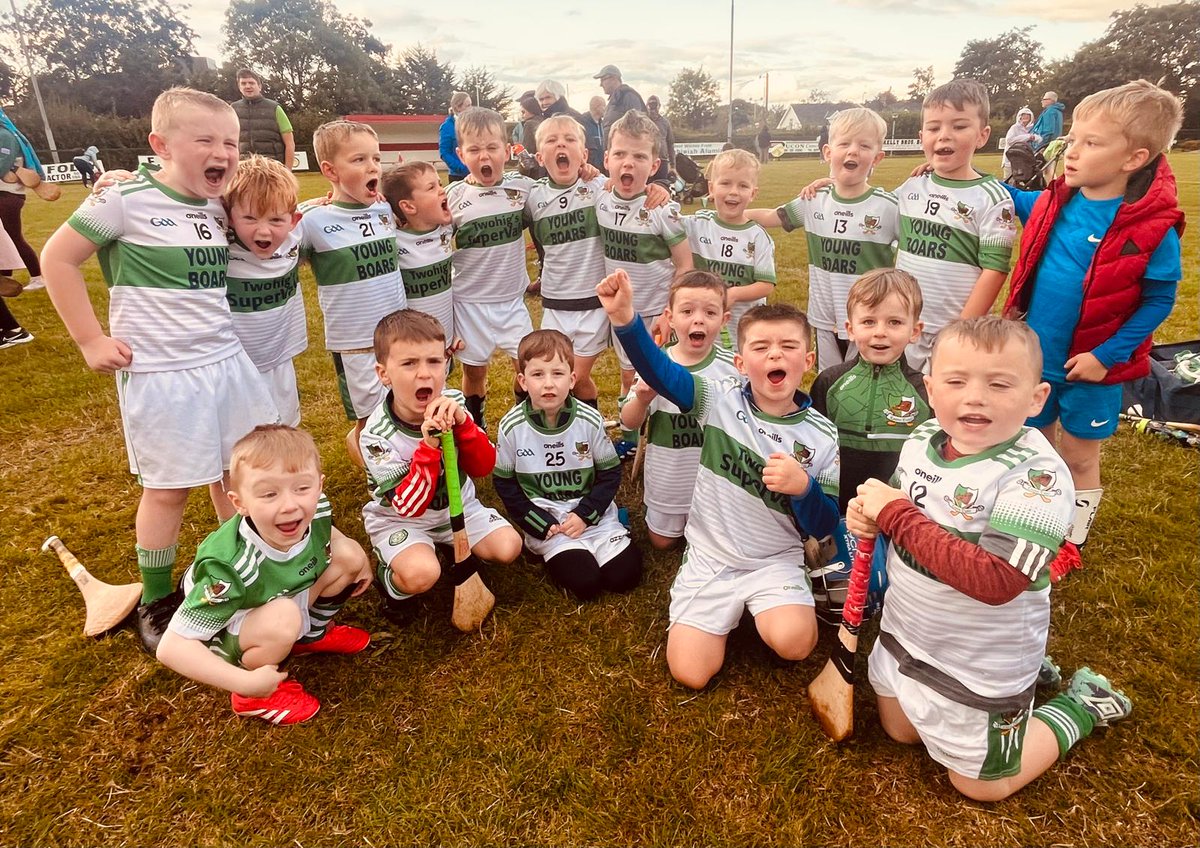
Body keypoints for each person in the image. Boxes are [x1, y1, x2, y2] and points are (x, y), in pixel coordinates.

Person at [846, 316, 1132, 802]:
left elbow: (998, 581)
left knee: (982, 786)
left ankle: (1082, 705)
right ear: (931, 389)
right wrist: (869, 513)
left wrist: (894, 515)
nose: (975, 397)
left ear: (1037, 398)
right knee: (899, 731)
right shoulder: (921, 438)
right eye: (956, 382)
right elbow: (900, 503)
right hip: (906, 634)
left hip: (981, 656)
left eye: (999, 384)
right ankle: (1029, 678)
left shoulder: (1036, 476)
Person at [40, 87, 280, 654]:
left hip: (226, 362)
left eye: (231, 142)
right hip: (162, 375)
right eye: (205, 140)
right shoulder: (123, 200)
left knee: (237, 474)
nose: (222, 151)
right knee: (168, 489)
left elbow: (264, 214)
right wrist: (90, 339)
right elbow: (57, 258)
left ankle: (245, 565)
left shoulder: (215, 204)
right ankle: (156, 598)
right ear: (160, 145)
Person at [598, 269, 840, 689]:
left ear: (809, 359)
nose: (776, 356)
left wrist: (804, 488)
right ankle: (732, 610)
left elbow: (823, 524)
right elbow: (662, 373)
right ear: (742, 363)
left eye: (788, 346)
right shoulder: (718, 400)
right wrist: (626, 319)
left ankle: (770, 607)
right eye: (761, 347)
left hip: (773, 561)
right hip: (712, 556)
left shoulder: (822, 434)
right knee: (690, 674)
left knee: (795, 643)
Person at [1002, 79, 1184, 552]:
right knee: (1030, 447)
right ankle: (1030, 519)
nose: (1072, 152)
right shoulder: (1055, 202)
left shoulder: (1151, 229)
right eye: (1072, 140)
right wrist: (955, 172)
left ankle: (1071, 540)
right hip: (1033, 361)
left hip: (1092, 371)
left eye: (1090, 143)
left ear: (1133, 159)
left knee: (1079, 456)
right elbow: (1005, 197)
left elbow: (1159, 300)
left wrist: (1105, 355)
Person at [156, 424, 372, 726]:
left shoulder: (317, 507)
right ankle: (252, 697)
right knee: (283, 616)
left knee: (349, 555)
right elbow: (172, 647)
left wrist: (353, 555)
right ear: (239, 502)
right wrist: (242, 683)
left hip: (276, 593)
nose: (290, 505)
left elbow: (326, 531)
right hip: (228, 620)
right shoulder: (230, 568)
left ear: (319, 486)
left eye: (302, 488)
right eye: (269, 494)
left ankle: (311, 636)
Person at [360, 309, 522, 622]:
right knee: (422, 574)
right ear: (384, 374)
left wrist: (464, 427)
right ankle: (393, 585)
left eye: (434, 361)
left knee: (508, 547)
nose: (425, 374)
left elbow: (483, 466)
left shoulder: (455, 402)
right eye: (409, 363)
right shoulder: (377, 436)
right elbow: (409, 506)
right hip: (400, 520)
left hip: (458, 508)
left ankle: (449, 545)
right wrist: (429, 447)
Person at [494, 329, 643, 600]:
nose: (548, 384)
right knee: (585, 583)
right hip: (549, 520)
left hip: (590, 515)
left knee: (625, 577)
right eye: (538, 374)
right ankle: (546, 548)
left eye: (557, 373)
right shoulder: (511, 426)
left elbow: (609, 473)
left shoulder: (589, 419)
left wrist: (587, 514)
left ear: (573, 379)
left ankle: (613, 524)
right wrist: (537, 522)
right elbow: (505, 483)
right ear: (523, 381)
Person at [747, 107, 899, 371]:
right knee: (829, 384)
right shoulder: (814, 200)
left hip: (870, 320)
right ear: (828, 152)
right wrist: (730, 214)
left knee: (864, 387)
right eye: (845, 144)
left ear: (878, 157)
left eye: (864, 145)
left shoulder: (889, 207)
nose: (853, 151)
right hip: (825, 317)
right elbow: (773, 216)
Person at [298, 120, 405, 458]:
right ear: (330, 170)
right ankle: (378, 480)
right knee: (370, 421)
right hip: (355, 344)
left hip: (397, 335)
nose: (372, 166)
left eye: (375, 158)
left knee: (400, 411)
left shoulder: (385, 209)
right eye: (359, 160)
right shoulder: (311, 221)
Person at [894, 80, 1015, 372]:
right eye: (934, 128)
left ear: (982, 135)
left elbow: (995, 270)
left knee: (941, 409)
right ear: (922, 135)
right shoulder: (912, 186)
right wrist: (829, 185)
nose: (944, 135)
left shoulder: (993, 199)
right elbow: (868, 212)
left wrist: (961, 329)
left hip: (948, 331)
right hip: (901, 324)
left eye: (959, 127)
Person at [596, 110, 692, 458]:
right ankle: (631, 438)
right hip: (625, 314)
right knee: (628, 378)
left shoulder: (662, 209)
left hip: (657, 312)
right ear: (607, 159)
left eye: (639, 156)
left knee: (665, 377)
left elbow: (684, 265)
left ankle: (672, 439)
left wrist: (670, 311)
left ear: (654, 166)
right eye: (620, 154)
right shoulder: (600, 197)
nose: (628, 163)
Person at [618, 272, 738, 549]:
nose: (698, 319)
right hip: (669, 475)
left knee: (713, 542)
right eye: (687, 311)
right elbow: (629, 422)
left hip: (714, 476)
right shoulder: (654, 364)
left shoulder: (733, 366)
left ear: (724, 320)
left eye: (710, 312)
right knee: (662, 543)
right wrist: (642, 400)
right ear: (670, 318)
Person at [445, 107, 539, 431]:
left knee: (527, 366)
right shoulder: (452, 198)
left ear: (507, 150)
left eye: (492, 148)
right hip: (469, 303)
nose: (484, 156)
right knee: (474, 371)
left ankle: (521, 422)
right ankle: (477, 425)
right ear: (461, 154)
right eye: (474, 149)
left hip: (512, 300)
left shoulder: (522, 189)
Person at [809, 268, 929, 514]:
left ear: (914, 331)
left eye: (894, 322)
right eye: (868, 321)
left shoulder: (926, 391)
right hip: (836, 509)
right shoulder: (829, 382)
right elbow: (812, 449)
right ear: (850, 329)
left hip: (896, 513)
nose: (880, 332)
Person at [526, 115, 611, 407]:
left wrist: (659, 186)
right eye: (551, 140)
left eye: (570, 139)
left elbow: (635, 189)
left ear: (584, 155)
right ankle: (541, 428)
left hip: (593, 303)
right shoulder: (531, 196)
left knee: (574, 375)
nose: (561, 143)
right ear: (540, 157)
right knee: (557, 373)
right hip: (555, 303)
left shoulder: (600, 186)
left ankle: (588, 432)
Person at [224, 155, 307, 427]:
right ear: (228, 216)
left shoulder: (298, 231)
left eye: (275, 220)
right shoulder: (216, 238)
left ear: (293, 220)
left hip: (280, 359)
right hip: (233, 366)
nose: (263, 230)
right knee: (242, 442)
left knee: (285, 429)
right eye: (249, 217)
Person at [684, 148, 776, 348]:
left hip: (744, 329)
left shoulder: (758, 237)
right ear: (711, 188)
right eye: (725, 183)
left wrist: (733, 294)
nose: (733, 191)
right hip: (701, 326)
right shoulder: (697, 224)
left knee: (743, 373)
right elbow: (665, 219)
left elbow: (765, 285)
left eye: (743, 186)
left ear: (753, 193)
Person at [380, 161, 457, 346]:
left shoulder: (445, 229)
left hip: (444, 335)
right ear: (409, 207)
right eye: (431, 187)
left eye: (439, 183)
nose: (441, 190)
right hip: (411, 341)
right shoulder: (393, 239)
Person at [0, 107, 46, 290]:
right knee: (4, 239)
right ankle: (6, 279)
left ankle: (38, 277)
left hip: (8, 195)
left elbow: (2, 164)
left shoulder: (4, 136)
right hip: (6, 194)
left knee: (13, 237)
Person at [231, 69, 295, 166]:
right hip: (244, 169)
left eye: (251, 83)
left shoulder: (275, 108)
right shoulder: (232, 109)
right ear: (239, 87)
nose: (248, 86)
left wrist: (288, 170)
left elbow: (290, 143)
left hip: (273, 168)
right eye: (243, 83)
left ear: (259, 86)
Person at [595, 65, 647, 138]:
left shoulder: (628, 96)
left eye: (603, 80)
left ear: (614, 78)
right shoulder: (615, 100)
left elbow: (637, 129)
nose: (600, 85)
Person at [439, 91, 472, 183]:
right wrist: (463, 168)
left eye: (471, 105)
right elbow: (444, 153)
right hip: (458, 176)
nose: (471, 108)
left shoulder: (473, 124)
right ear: (458, 107)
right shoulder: (446, 127)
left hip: (476, 173)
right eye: (468, 105)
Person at [1002, 107, 1035, 180]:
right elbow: (1010, 140)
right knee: (1009, 180)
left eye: (1027, 115)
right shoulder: (1014, 128)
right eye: (1023, 115)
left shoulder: (1032, 129)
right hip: (1010, 160)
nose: (1025, 117)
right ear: (1020, 116)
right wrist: (1027, 137)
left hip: (1024, 162)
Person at [646, 96, 676, 172]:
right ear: (647, 106)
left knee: (662, 183)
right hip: (647, 161)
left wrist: (673, 166)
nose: (653, 107)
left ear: (659, 106)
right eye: (650, 104)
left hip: (663, 161)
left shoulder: (665, 123)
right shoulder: (643, 122)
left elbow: (670, 144)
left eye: (654, 104)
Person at [583, 96, 607, 172]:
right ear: (597, 107)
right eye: (604, 106)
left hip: (602, 168)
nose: (605, 109)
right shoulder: (583, 123)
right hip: (589, 170)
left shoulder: (602, 124)